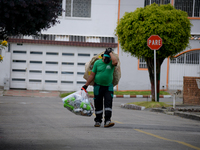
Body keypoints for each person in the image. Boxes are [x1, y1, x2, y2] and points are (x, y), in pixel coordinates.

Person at [82, 48, 118, 128]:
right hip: (98, 86)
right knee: (98, 104)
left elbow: (115, 61)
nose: (106, 59)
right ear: (103, 57)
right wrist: (85, 86)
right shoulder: (97, 63)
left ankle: (107, 121)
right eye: (105, 57)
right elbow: (92, 75)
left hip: (108, 86)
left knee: (108, 104)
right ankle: (98, 121)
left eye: (108, 58)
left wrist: (111, 53)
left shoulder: (111, 63)